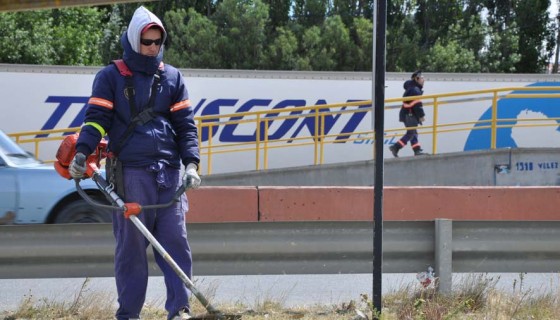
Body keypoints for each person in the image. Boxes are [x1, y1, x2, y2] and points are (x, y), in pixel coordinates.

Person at [69, 6, 200, 320]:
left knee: (175, 242)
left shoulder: (172, 77)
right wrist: (81, 154)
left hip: (168, 175)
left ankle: (180, 310)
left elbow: (185, 126)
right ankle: (128, 314)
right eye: (147, 42)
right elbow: (96, 121)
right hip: (130, 174)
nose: (153, 47)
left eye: (158, 41)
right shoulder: (110, 77)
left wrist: (192, 164)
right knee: (131, 252)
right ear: (133, 39)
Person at [389, 70, 427, 157]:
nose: (423, 80)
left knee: (413, 133)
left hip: (408, 114)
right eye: (422, 78)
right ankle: (396, 147)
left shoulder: (412, 88)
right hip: (410, 115)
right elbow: (417, 105)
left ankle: (417, 150)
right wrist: (421, 116)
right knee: (411, 133)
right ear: (416, 79)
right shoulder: (415, 90)